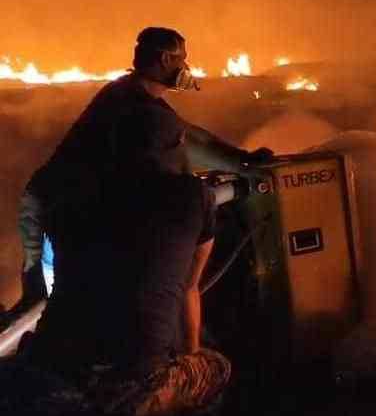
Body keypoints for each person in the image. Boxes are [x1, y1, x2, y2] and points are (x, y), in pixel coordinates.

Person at [2, 27, 272, 328]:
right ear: (163, 59)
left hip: (49, 204)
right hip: (52, 211)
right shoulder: (139, 110)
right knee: (44, 309)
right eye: (180, 59)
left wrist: (240, 158)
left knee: (46, 304)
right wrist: (242, 170)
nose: (184, 66)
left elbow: (188, 135)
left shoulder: (127, 93)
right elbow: (182, 163)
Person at [21, 103, 230, 416]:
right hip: (130, 380)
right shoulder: (193, 196)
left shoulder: (70, 197)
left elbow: (57, 274)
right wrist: (190, 354)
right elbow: (190, 287)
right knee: (217, 368)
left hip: (57, 359)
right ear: (172, 147)